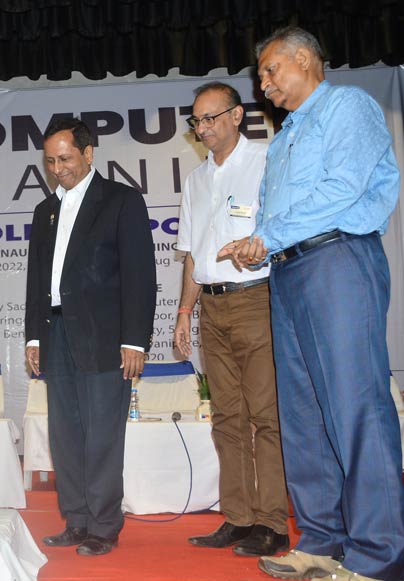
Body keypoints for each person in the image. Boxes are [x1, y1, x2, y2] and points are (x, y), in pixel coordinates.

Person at [220, 26, 404, 581]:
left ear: (305, 58)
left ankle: (379, 555)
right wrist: (259, 246)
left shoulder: (347, 106)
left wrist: (269, 237)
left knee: (355, 409)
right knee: (303, 418)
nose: (263, 84)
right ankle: (323, 542)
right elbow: (279, 218)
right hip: (288, 273)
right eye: (260, 76)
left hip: (338, 262)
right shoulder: (286, 136)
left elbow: (343, 189)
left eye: (271, 70)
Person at [25, 117, 156, 557]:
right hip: (55, 332)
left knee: (101, 435)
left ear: (88, 153)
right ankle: (76, 520)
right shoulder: (44, 212)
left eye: (65, 158)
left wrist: (135, 340)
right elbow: (35, 281)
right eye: (50, 161)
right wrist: (33, 338)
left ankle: (104, 524)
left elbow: (140, 274)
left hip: (105, 336)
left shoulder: (120, 201)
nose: (58, 168)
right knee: (65, 434)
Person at [175, 82, 288, 557]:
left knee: (265, 416)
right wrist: (184, 309)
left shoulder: (267, 161)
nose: (202, 129)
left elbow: (284, 226)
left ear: (238, 115)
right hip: (211, 307)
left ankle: (273, 523)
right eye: (196, 122)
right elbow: (191, 255)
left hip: (256, 298)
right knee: (226, 417)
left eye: (210, 118)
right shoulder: (196, 179)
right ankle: (239, 518)